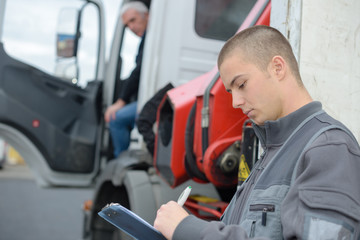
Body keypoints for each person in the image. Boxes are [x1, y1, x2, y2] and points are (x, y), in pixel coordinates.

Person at [153, 25, 360, 239]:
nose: (235, 102)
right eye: (231, 91)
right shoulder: (273, 152)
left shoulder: (328, 148)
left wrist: (189, 230)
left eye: (241, 84)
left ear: (278, 68)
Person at [104, 1, 149, 158]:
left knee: (115, 118)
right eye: (127, 25)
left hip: (152, 100)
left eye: (133, 20)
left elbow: (137, 72)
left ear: (147, 15)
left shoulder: (151, 40)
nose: (131, 27)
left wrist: (120, 102)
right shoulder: (147, 40)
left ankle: (120, 160)